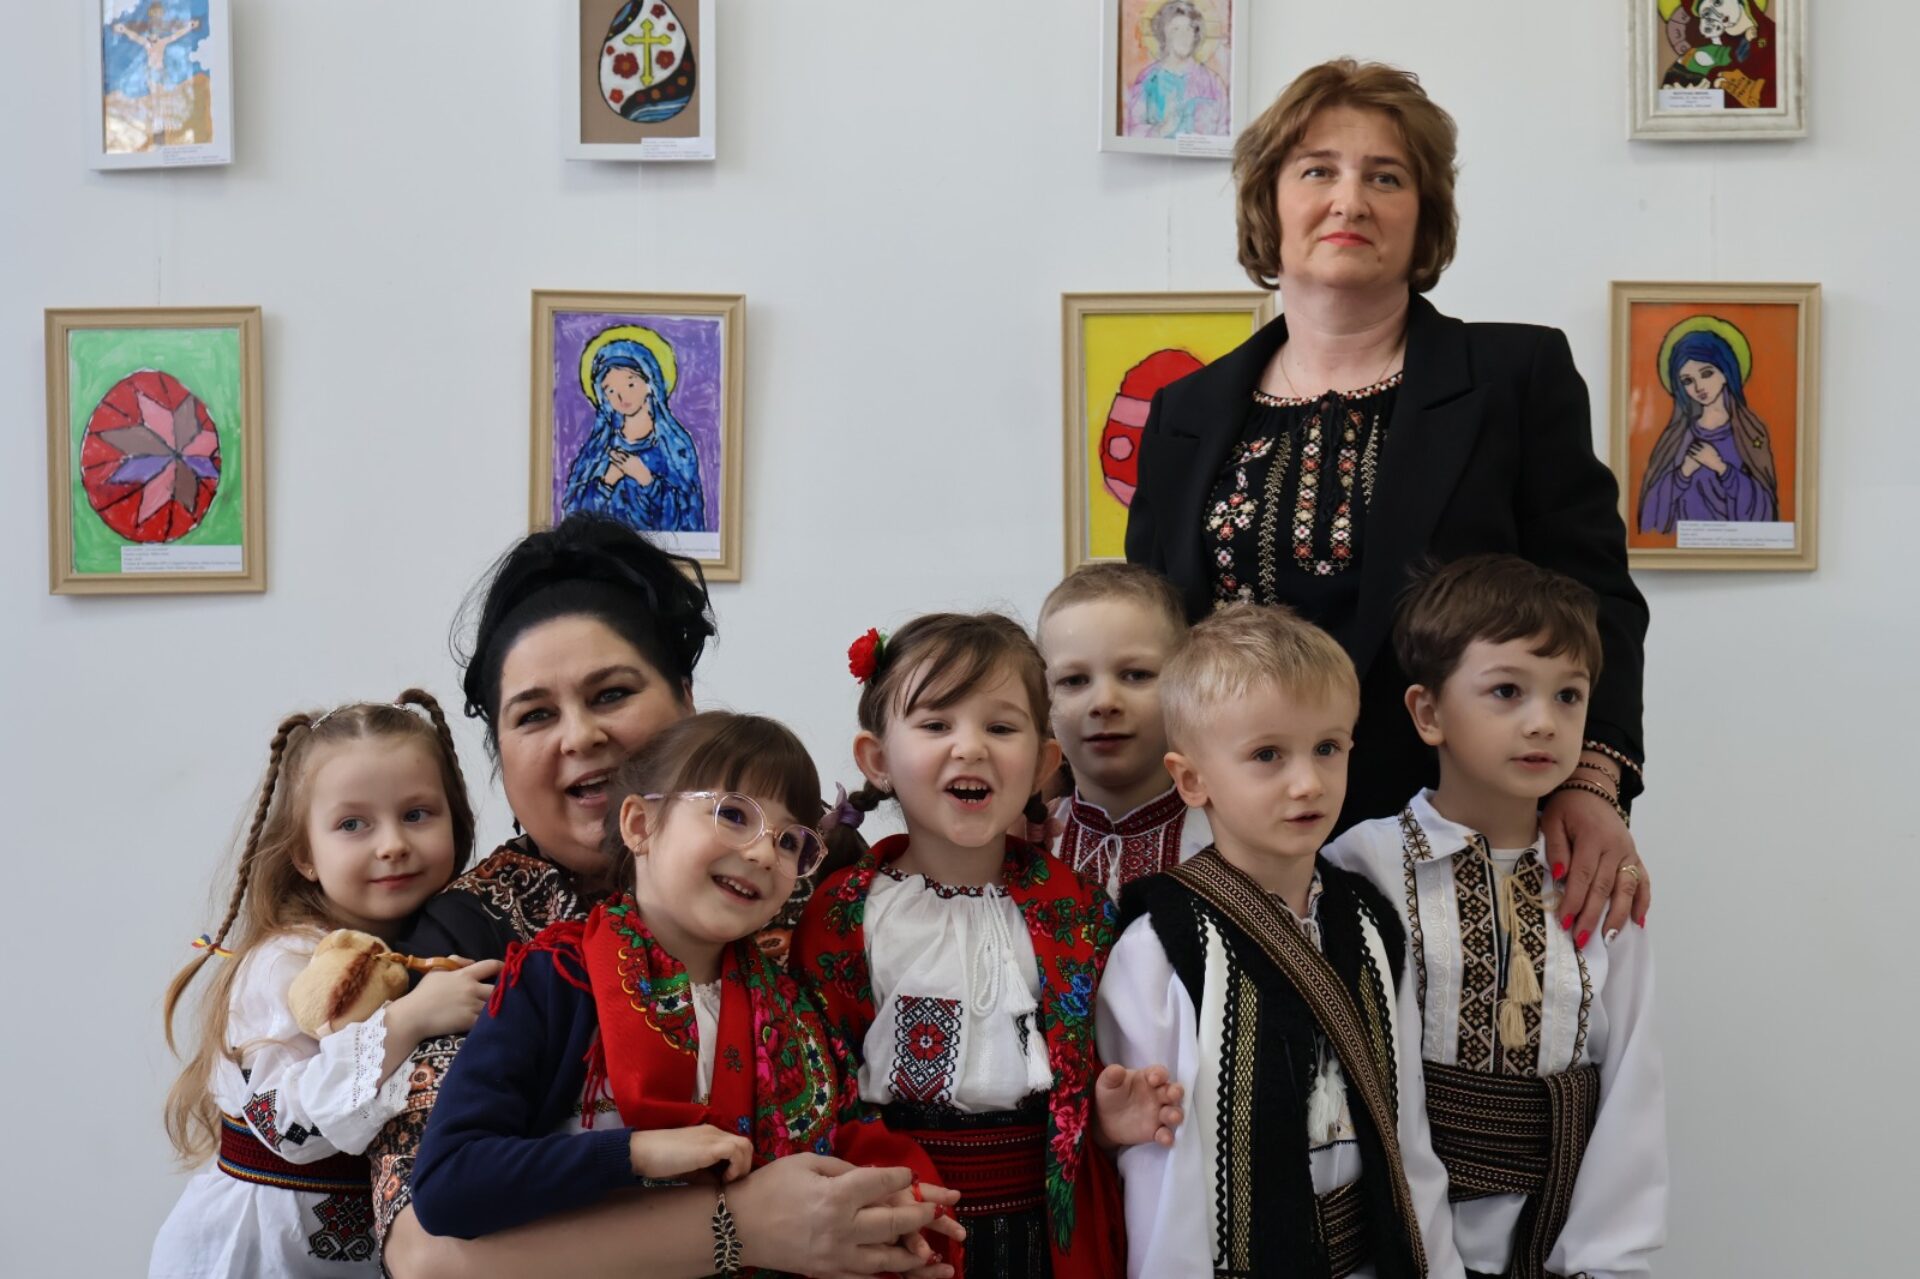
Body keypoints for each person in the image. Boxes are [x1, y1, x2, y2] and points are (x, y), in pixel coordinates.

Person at [1124, 57, 1650, 950]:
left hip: (1463, 845)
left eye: (1386, 177)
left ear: (1425, 215)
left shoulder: (1517, 377)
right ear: (1268, 203)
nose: (1350, 200)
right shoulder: (1186, 412)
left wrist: (1592, 780)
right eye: (1317, 170)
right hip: (1234, 859)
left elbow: (1596, 599)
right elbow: (1152, 633)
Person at [379, 516, 954, 1279]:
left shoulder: (804, 886)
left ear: (686, 701)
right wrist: (737, 1228)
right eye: (536, 713)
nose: (579, 736)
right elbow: (424, 1251)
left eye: (611, 693)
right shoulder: (466, 938)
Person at [410, 713, 965, 1271]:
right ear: (640, 824)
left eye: (789, 840)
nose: (763, 854)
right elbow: (448, 1185)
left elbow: (846, 1144)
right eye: (734, 814)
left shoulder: (793, 1008)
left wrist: (894, 1207)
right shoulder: (556, 979)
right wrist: (634, 1153)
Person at [792, 613, 1185, 1278]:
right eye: (936, 725)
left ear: (1044, 764)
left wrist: (1103, 1117)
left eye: (1000, 728)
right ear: (878, 760)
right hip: (899, 1226)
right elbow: (815, 1088)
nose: (970, 748)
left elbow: (1079, 1076)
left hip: (1046, 1231)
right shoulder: (842, 913)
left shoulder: (1079, 911)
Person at [1325, 556, 1666, 1278]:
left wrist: (1604, 1263)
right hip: (1394, 1251)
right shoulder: (1363, 865)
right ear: (1428, 713)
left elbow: (1632, 1084)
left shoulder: (1601, 879)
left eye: (1569, 695)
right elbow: (1375, 1093)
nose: (1543, 722)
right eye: (1507, 691)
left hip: (1558, 1249)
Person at [1096, 604, 1460, 1278]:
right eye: (1267, 754)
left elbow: (1407, 1134)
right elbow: (1160, 1174)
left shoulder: (1371, 923)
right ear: (1192, 779)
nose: (1308, 782)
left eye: (1328, 747)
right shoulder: (1158, 949)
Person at [150, 693, 501, 1277]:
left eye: (417, 814)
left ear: (456, 822)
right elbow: (288, 1129)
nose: (392, 843)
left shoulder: (436, 942)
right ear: (305, 855)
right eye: (352, 824)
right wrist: (408, 1020)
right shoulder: (282, 963)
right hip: (261, 1253)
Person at [1037, 563, 1210, 900]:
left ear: (1188, 682)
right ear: (1043, 698)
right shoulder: (1016, 851)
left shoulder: (1234, 847)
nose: (1104, 702)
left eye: (1136, 675)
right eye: (1074, 680)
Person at [1635, 319, 1779, 532]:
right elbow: (1651, 513)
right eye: (1687, 380)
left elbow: (1765, 509)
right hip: (1685, 544)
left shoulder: (1750, 434)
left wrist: (1721, 468)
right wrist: (1683, 472)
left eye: (1706, 373)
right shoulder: (1678, 436)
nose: (1699, 387)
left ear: (1726, 372)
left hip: (1734, 545)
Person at [561, 335, 707, 534]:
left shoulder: (676, 447)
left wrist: (646, 479)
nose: (622, 397)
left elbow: (688, 518)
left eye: (630, 385)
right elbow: (573, 518)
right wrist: (606, 483)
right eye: (611, 391)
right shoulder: (599, 449)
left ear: (650, 384)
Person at [1124, 0, 1228, 139]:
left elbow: (1223, 135)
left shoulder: (1213, 83)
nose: (1183, 36)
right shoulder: (1148, 79)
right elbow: (1133, 133)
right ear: (1163, 35)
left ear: (1196, 35)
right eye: (1175, 29)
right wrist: (1162, 130)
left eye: (1189, 29)